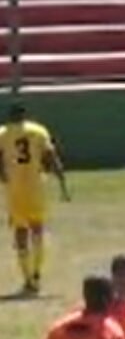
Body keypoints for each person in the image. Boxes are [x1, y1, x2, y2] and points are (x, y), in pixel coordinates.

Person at [0, 102, 69, 295]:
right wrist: (62, 180)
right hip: (36, 187)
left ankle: (28, 279)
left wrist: (3, 175)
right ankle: (37, 273)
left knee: (20, 232)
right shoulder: (39, 131)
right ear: (25, 116)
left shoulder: (3, 133)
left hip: (15, 190)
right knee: (37, 230)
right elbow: (51, 156)